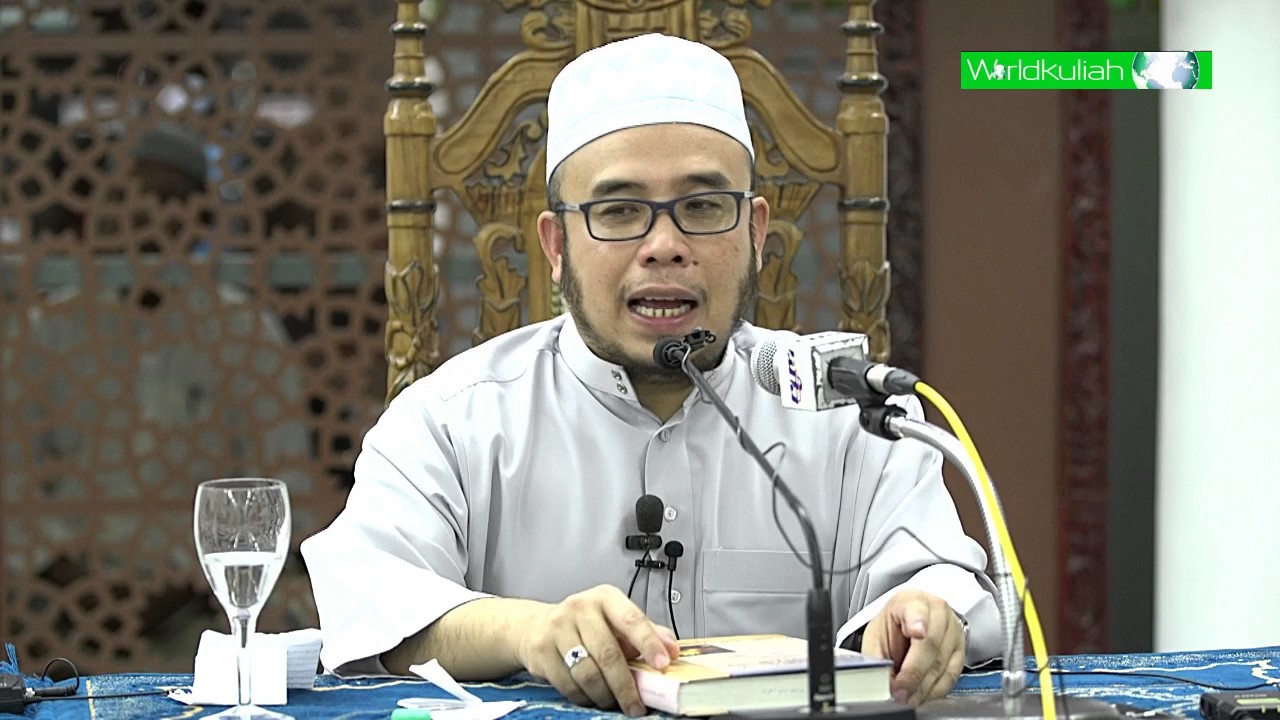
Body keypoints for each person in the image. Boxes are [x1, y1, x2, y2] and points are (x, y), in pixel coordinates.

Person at [301, 33, 1000, 716]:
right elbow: (370, 602)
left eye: (702, 207)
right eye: (620, 212)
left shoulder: (849, 412)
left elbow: (947, 582)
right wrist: (529, 631)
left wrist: (922, 614)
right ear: (556, 245)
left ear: (756, 233)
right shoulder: (454, 419)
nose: (664, 246)